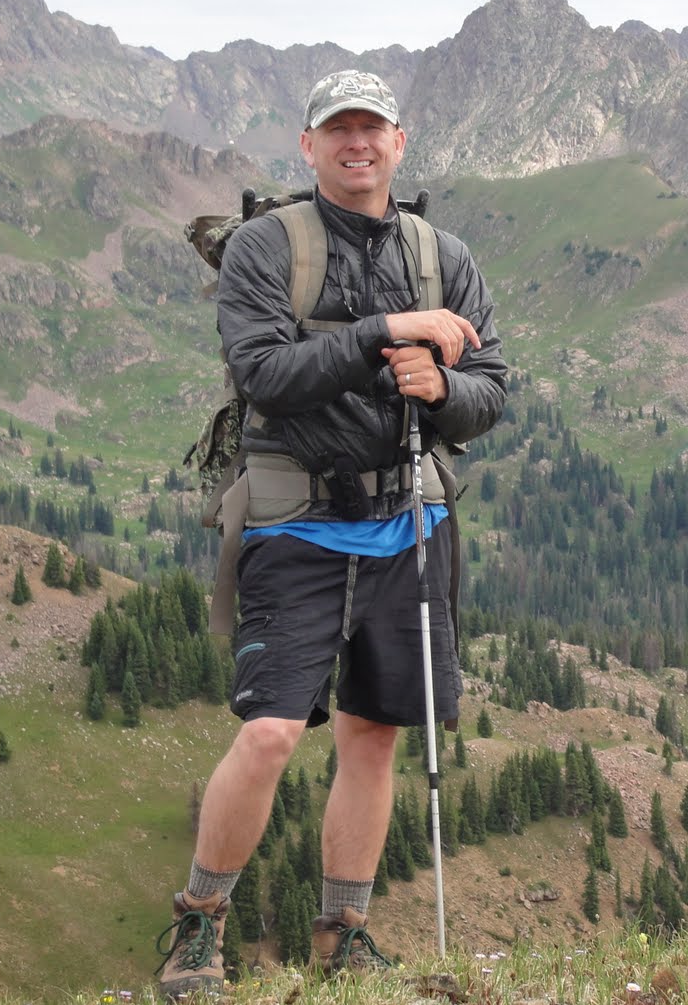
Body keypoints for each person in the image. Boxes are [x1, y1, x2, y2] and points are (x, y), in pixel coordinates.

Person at [155, 69, 507, 999]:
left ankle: (343, 934)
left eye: (372, 127)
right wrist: (384, 331)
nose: (358, 143)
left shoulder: (445, 256)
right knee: (271, 731)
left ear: (399, 141)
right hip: (295, 523)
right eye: (338, 129)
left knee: (374, 734)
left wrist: (445, 388)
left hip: (409, 521)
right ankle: (199, 924)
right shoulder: (265, 248)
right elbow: (264, 375)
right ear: (309, 146)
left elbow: (492, 390)